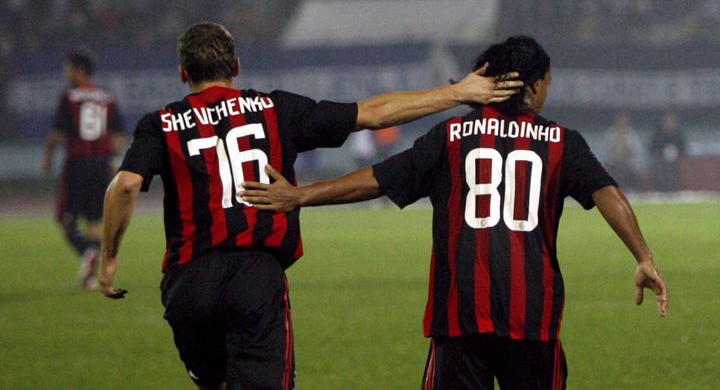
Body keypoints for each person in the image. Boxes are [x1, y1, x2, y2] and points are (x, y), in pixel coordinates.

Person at [98, 22, 522, 390]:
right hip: (254, 275)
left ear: (183, 72)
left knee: (213, 381)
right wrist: (457, 92)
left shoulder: (161, 123)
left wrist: (108, 261)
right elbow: (374, 113)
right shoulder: (274, 109)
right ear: (237, 66)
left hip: (187, 282)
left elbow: (125, 187)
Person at [242, 36, 669, 389]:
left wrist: (301, 196)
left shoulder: (450, 136)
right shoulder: (561, 141)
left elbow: (378, 177)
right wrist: (643, 257)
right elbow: (608, 193)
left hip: (460, 313)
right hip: (531, 318)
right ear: (536, 86)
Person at [43, 49, 125, 290]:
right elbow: (118, 133)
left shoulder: (69, 97)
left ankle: (85, 253)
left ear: (79, 70)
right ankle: (90, 276)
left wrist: (48, 156)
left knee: (64, 217)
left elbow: (57, 134)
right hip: (101, 165)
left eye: (68, 67)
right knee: (93, 219)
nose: (65, 71)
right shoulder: (107, 97)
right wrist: (114, 160)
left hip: (77, 164)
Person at [603, 112, 643, 191]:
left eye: (624, 120)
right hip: (613, 164)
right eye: (620, 120)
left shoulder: (631, 135)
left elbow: (636, 151)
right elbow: (606, 151)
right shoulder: (611, 134)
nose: (622, 122)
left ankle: (634, 191)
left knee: (637, 172)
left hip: (628, 164)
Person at [648, 111, 687, 192]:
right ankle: (659, 189)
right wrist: (660, 154)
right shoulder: (658, 134)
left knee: (672, 169)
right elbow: (652, 148)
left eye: (672, 121)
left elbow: (683, 149)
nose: (670, 123)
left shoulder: (678, 134)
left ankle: (673, 189)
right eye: (668, 121)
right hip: (660, 161)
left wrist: (676, 153)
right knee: (660, 168)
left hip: (675, 162)